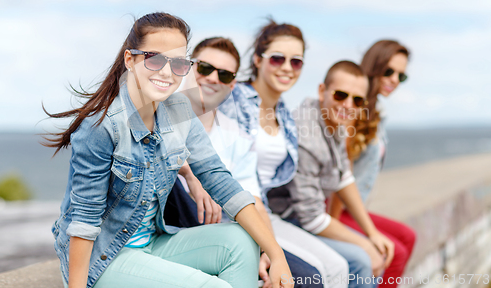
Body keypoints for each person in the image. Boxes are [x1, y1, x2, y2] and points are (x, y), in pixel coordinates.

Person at [43, 12, 293, 288]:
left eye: (178, 63)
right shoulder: (101, 127)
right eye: (154, 58)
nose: (166, 72)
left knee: (243, 239)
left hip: (152, 244)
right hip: (104, 259)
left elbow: (221, 181)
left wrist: (276, 252)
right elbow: (84, 223)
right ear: (131, 60)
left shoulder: (179, 111)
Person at [164, 36, 325, 288]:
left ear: (232, 85)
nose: (214, 78)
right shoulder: (160, 114)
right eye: (205, 68)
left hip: (227, 230)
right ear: (188, 67)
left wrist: (266, 252)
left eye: (225, 75)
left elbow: (255, 202)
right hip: (176, 228)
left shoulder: (236, 136)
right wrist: (189, 175)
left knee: (308, 279)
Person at [220, 20, 350, 288]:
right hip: (236, 215)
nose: (287, 68)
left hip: (268, 213)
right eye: (277, 59)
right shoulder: (234, 101)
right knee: (310, 278)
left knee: (338, 268)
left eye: (296, 62)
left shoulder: (285, 116)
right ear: (257, 59)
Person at [270, 61, 396, 288]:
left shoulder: (334, 120)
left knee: (376, 250)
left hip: (305, 215)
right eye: (340, 95)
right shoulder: (306, 136)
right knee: (361, 260)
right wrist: (365, 244)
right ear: (322, 91)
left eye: (357, 100)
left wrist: (371, 234)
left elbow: (344, 177)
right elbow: (311, 217)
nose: (348, 105)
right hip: (285, 218)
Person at [330, 40, 416, 287]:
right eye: (389, 71)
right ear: (374, 66)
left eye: (401, 75)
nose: (394, 80)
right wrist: (334, 226)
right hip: (335, 208)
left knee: (407, 237)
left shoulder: (377, 111)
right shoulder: (352, 106)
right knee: (394, 253)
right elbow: (340, 174)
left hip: (353, 208)